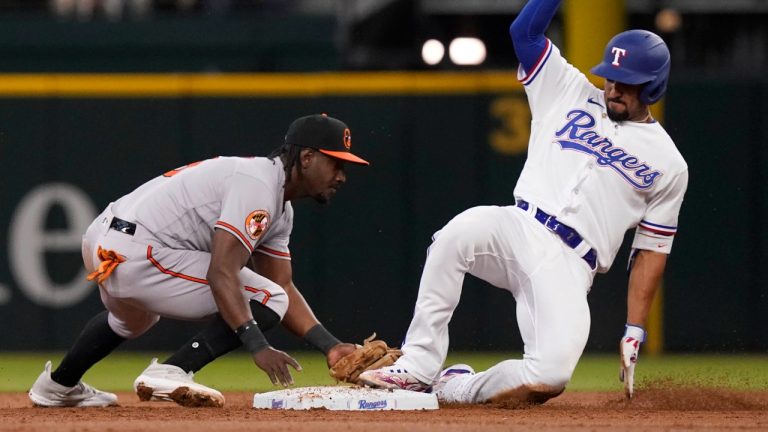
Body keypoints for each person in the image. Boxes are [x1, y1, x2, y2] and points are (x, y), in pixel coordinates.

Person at [358, 0, 688, 406]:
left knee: (550, 375)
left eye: (628, 82)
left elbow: (651, 251)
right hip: (518, 226)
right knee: (454, 235)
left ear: (653, 86)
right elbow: (524, 34)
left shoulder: (669, 163)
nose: (613, 87)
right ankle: (418, 365)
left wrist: (635, 327)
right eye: (610, 77)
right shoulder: (566, 86)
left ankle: (456, 387)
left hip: (571, 264)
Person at [29, 114, 368, 407]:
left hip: (104, 240)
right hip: (136, 252)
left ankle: (58, 385)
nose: (341, 175)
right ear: (307, 157)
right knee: (267, 298)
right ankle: (175, 369)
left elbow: (282, 281)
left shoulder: (276, 202)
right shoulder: (260, 187)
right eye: (336, 163)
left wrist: (331, 347)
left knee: (134, 321)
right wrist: (258, 345)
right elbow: (222, 272)